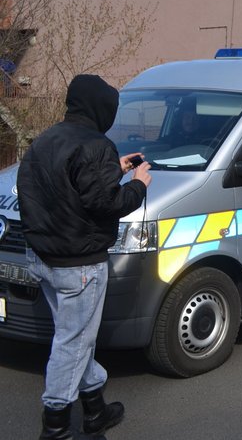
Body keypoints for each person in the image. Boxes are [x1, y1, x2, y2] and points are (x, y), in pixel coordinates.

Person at [17, 74, 152, 439]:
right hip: (80, 264)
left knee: (73, 336)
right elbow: (106, 204)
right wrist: (138, 184)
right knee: (73, 342)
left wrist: (116, 169)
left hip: (43, 257)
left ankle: (95, 409)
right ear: (100, 107)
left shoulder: (45, 140)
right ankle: (56, 425)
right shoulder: (95, 145)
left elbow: (66, 188)